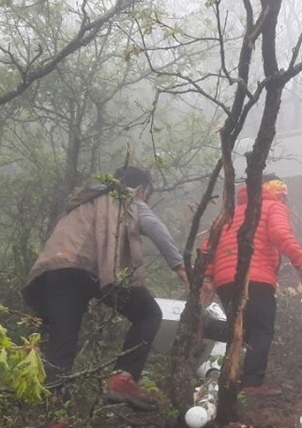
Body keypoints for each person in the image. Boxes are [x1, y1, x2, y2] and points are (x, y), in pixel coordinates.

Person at [24, 166, 187, 412]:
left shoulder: (82, 201)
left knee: (62, 343)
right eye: (147, 196)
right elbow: (155, 227)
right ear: (141, 190)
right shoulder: (127, 197)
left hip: (55, 270)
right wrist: (180, 266)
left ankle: (50, 413)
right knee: (148, 313)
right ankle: (123, 380)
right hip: (89, 269)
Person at [202, 176, 302, 396]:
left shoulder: (230, 213)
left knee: (241, 329)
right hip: (256, 277)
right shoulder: (272, 206)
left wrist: (207, 278)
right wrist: (299, 260)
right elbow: (280, 233)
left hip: (225, 280)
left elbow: (208, 246)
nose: (284, 199)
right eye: (283, 194)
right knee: (261, 329)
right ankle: (251, 383)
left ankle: (205, 328)